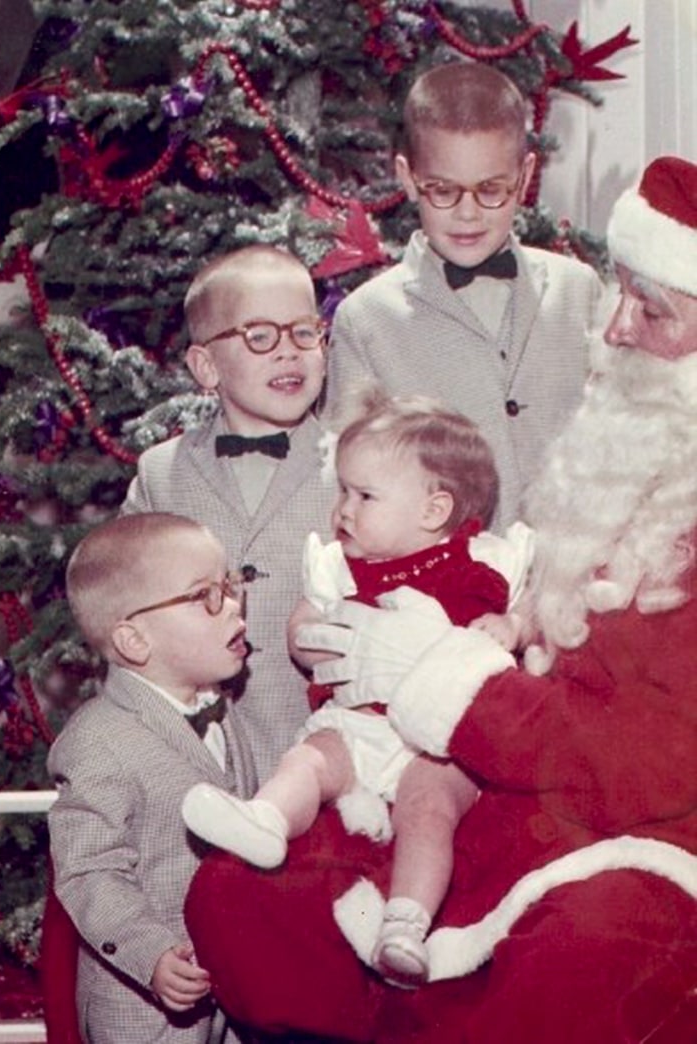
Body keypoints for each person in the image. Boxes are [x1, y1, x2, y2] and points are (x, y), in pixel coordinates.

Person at [184, 156, 697, 1043]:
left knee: (580, 962)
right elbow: (536, 616)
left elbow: (654, 759)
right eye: (620, 294)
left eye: (652, 312)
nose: (613, 331)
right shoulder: (635, 457)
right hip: (516, 786)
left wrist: (447, 679)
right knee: (242, 898)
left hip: (648, 827)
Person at [182, 390, 532, 987]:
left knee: (429, 808)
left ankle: (405, 922)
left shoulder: (485, 563)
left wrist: (511, 625)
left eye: (364, 496)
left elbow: (533, 621)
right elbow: (301, 629)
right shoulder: (337, 567)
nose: (343, 509)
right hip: (358, 723)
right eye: (342, 491)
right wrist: (307, 638)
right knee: (309, 763)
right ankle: (265, 820)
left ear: (434, 508)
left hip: (437, 742)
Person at [326, 61, 604, 531]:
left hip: (574, 577)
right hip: (444, 596)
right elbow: (348, 486)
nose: (468, 214)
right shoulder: (366, 319)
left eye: (491, 189)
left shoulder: (579, 289)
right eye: (443, 190)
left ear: (525, 175)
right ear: (408, 177)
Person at [121, 244, 335, 778]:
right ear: (206, 366)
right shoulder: (160, 473)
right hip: (197, 769)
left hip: (325, 759)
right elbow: (124, 607)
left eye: (304, 333)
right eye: (260, 336)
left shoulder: (356, 468)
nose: (288, 352)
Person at [47, 512, 257, 1044]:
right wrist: (152, 952)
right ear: (135, 640)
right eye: (205, 595)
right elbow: (89, 872)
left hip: (235, 992)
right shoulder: (98, 740)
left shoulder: (227, 715)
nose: (232, 606)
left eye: (230, 587)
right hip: (146, 1010)